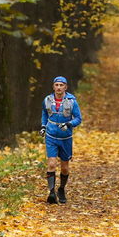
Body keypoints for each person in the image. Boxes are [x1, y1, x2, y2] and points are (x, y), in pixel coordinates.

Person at [40, 76, 82, 204]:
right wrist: (43, 126)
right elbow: (44, 114)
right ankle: (51, 192)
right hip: (51, 136)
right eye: (56, 85)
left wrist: (69, 124)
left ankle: (61, 189)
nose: (58, 88)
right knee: (52, 164)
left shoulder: (72, 101)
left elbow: (78, 119)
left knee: (64, 168)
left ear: (66, 87)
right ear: (53, 87)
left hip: (65, 138)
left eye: (61, 85)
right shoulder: (47, 100)